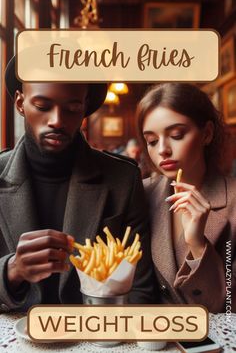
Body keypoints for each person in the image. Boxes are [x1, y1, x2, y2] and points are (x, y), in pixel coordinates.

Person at [0, 56, 155, 312]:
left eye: (72, 108)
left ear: (84, 108)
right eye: (42, 105)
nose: (57, 121)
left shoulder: (123, 179)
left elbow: (140, 290)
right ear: (20, 103)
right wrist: (13, 270)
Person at [136, 83, 236, 313]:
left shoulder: (232, 200)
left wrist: (198, 246)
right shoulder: (141, 193)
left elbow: (227, 306)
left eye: (176, 135)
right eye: (151, 141)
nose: (162, 149)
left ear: (207, 134)